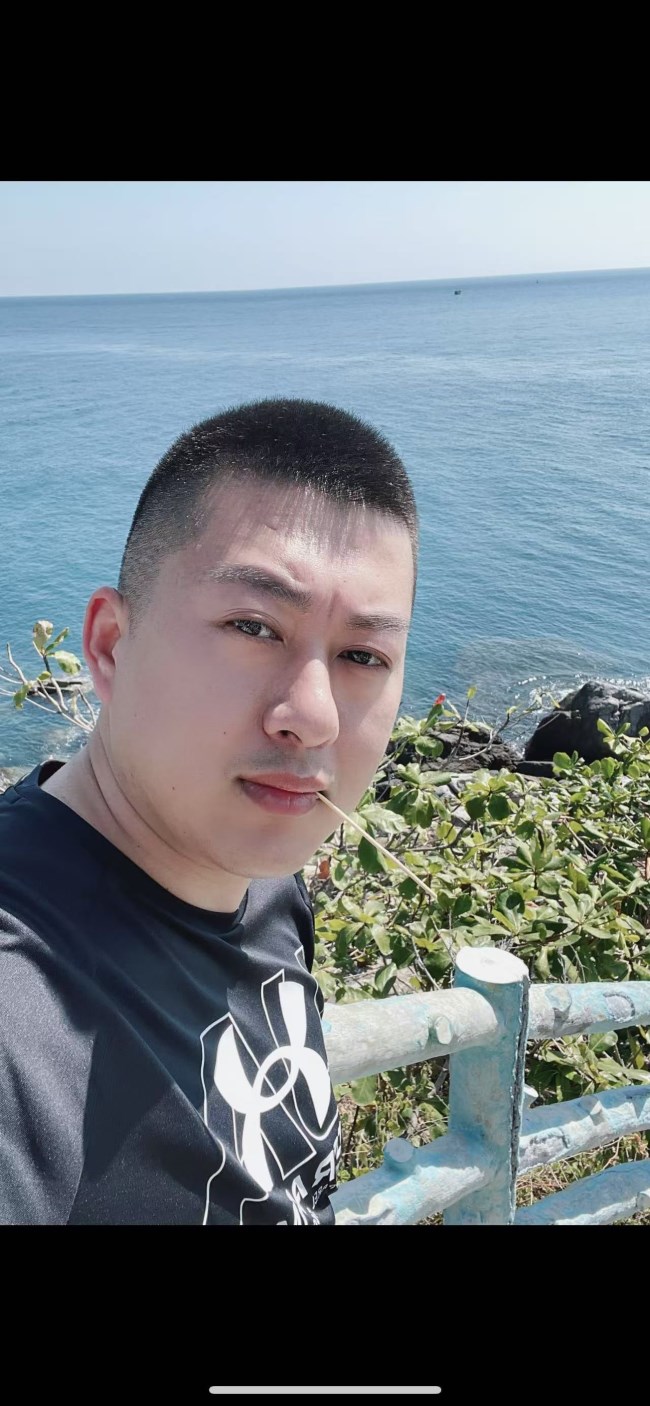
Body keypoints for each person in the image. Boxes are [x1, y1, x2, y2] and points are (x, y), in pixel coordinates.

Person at [0, 397, 418, 1225]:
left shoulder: (265, 881)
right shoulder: (20, 1014)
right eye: (254, 627)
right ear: (111, 645)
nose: (313, 717)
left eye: (363, 655)